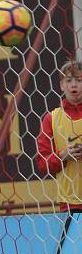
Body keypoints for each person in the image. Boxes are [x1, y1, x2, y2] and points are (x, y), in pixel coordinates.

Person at [37, 59, 82, 212]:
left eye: (79, 80)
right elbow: (43, 164)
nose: (74, 85)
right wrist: (64, 155)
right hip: (70, 204)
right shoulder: (52, 119)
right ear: (62, 85)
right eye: (69, 80)